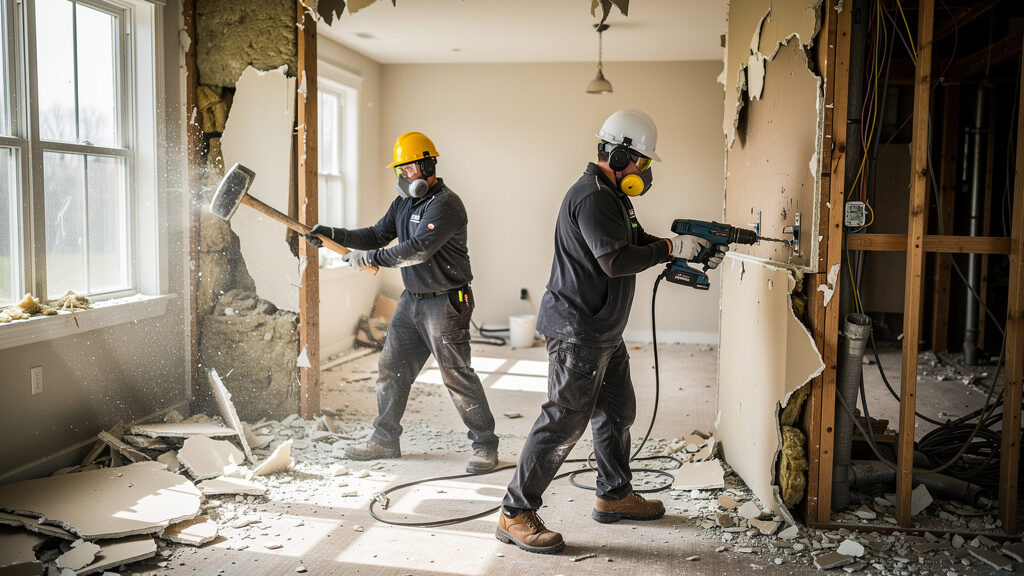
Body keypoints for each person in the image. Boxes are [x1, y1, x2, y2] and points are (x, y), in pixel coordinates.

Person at [495, 109, 727, 554]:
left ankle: (614, 494)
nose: (646, 170)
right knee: (564, 419)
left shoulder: (614, 197)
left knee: (618, 411)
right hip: (578, 329)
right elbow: (615, 260)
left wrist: (687, 251)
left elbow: (633, 244)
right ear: (619, 155)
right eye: (643, 161)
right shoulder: (593, 197)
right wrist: (671, 247)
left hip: (603, 329)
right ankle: (515, 512)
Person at [303, 132, 500, 474]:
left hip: (446, 301)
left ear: (428, 166)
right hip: (412, 300)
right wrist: (333, 234)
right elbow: (376, 235)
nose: (405, 175)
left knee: (456, 376)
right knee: (391, 368)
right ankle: (385, 440)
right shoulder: (403, 203)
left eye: (410, 168)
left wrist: (370, 259)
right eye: (401, 169)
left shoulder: (446, 204)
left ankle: (485, 445)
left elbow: (418, 249)